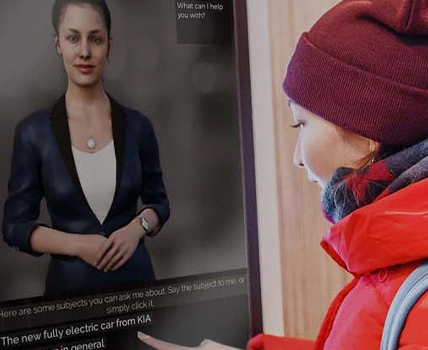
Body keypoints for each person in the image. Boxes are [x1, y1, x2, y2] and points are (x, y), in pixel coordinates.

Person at [138, 0, 428, 348]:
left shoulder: (413, 301)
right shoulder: (397, 275)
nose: (296, 158)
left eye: (301, 123)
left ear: (366, 126)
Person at [2, 0, 170, 296]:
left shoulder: (138, 126)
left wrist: (136, 229)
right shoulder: (33, 133)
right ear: (58, 44)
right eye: (73, 38)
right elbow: (15, 227)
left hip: (139, 296)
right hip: (69, 304)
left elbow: (159, 204)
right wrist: (78, 244)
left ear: (109, 45)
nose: (84, 51)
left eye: (95, 39)